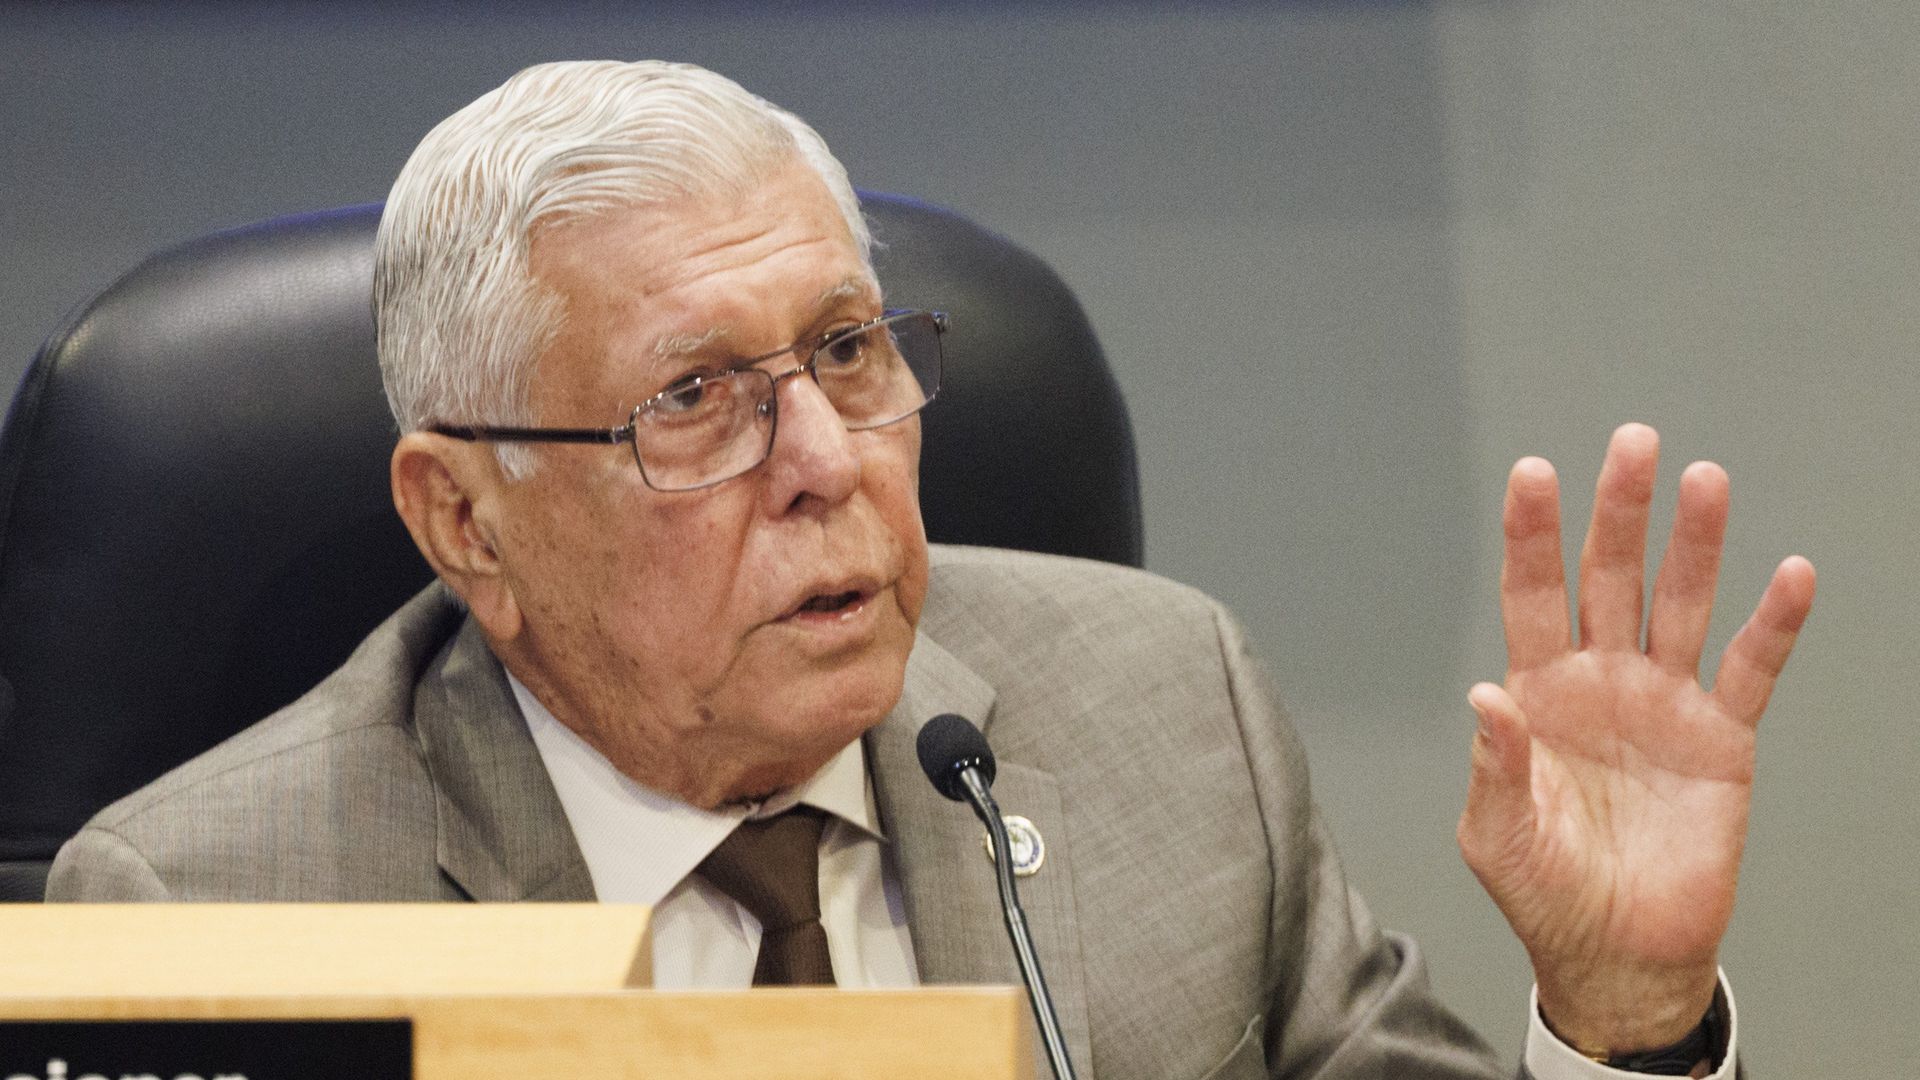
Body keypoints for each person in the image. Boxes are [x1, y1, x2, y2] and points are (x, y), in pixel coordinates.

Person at [46, 60, 1814, 1079]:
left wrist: (1624, 1017)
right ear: (468, 524)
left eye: (847, 352)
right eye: (696, 401)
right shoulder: (214, 914)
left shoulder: (1163, 715)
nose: (825, 462)